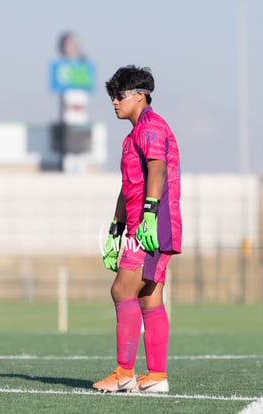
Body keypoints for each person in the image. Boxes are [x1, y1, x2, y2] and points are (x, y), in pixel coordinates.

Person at [93, 65, 182, 393]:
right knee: (148, 298)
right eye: (111, 96)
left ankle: (124, 372)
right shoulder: (133, 136)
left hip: (152, 226)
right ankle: (157, 377)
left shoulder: (150, 127)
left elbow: (157, 167)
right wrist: (117, 228)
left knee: (121, 290)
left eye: (119, 95)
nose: (114, 102)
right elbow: (127, 185)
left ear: (141, 95)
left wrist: (148, 215)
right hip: (141, 227)